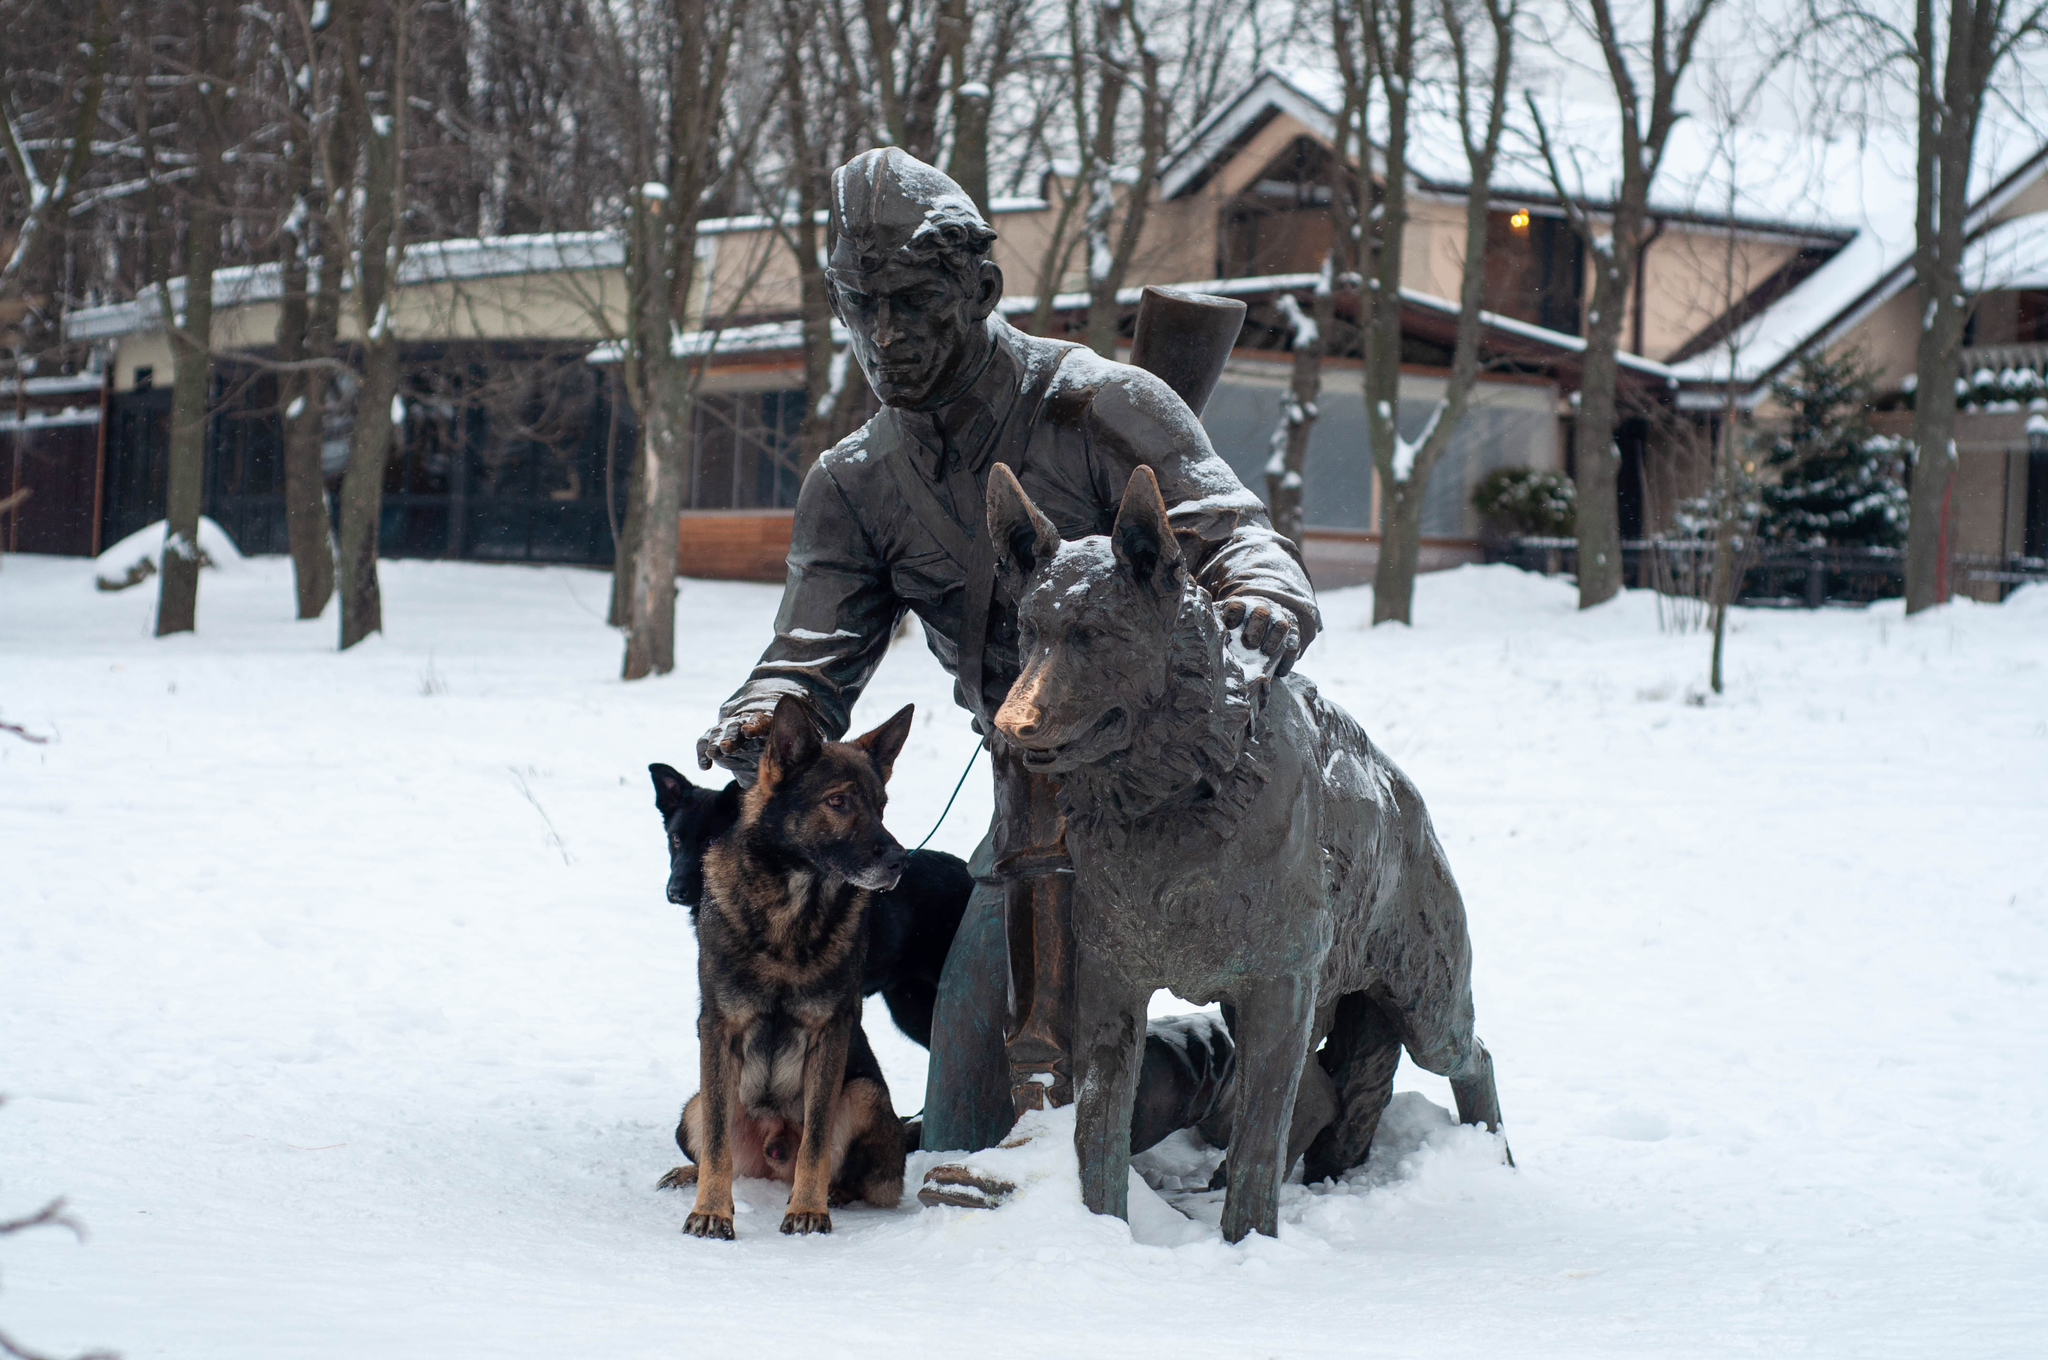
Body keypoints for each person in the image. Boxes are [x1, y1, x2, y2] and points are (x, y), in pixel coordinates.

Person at [696, 147, 1318, 1163]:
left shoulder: (1101, 406)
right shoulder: (854, 484)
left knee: (1064, 1104)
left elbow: (1236, 537)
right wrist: (765, 713)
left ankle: (1227, 1066)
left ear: (980, 288)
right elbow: (809, 652)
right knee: (968, 1121)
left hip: (1187, 794)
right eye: (860, 308)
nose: (884, 337)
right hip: (1031, 807)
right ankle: (1195, 1071)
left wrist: (1257, 599)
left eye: (911, 304)